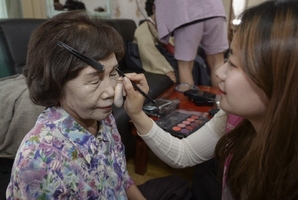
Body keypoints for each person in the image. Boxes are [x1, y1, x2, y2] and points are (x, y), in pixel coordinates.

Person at [122, 0, 298, 199]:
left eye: (232, 64)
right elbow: (184, 153)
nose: (219, 72)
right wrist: (136, 112)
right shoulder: (231, 116)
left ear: (279, 81)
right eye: (227, 58)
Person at [6, 10, 191, 199]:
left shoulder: (104, 118)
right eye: (94, 81)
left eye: (113, 74)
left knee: (179, 186)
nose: (111, 92)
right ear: (56, 83)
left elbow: (121, 178)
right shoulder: (38, 163)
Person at [154, 0, 229, 90]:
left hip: (186, 13)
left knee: (185, 66)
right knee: (217, 62)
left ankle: (187, 102)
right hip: (214, 9)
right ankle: (220, 102)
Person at [133, 0, 211, 86]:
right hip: (161, 60)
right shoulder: (143, 29)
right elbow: (148, 52)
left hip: (169, 56)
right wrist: (166, 70)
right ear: (154, 8)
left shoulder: (162, 28)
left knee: (197, 61)